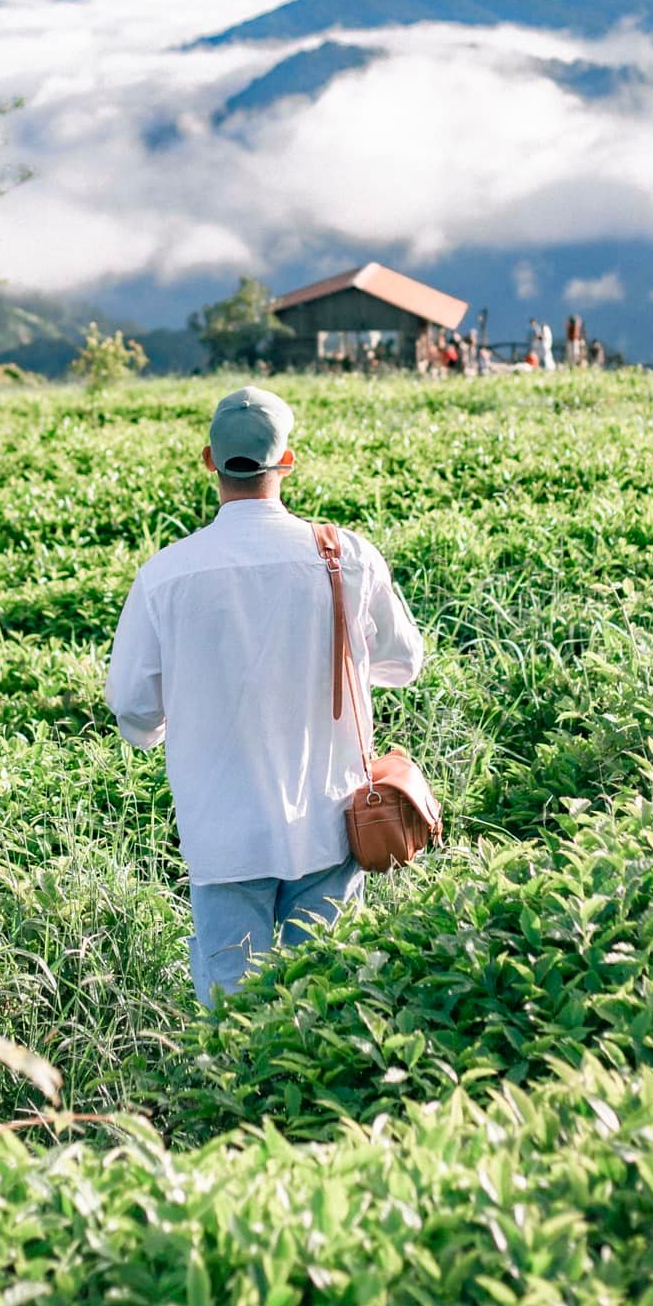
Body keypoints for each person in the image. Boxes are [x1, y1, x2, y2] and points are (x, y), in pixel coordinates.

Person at [105, 386, 426, 1006]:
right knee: (324, 998)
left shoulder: (167, 573)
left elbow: (134, 708)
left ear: (209, 461)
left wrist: (168, 727)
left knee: (229, 1006)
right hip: (332, 819)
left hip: (222, 830)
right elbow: (403, 663)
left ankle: (232, 1104)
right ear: (289, 461)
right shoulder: (347, 556)